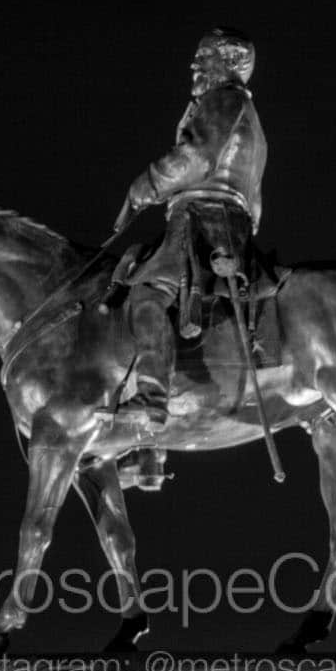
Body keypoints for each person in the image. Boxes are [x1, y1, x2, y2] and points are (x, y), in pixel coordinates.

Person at [114, 28, 266, 424]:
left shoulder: (224, 100)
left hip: (203, 220)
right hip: (227, 221)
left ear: (231, 64)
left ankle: (152, 394)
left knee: (147, 296)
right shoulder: (239, 109)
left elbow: (195, 157)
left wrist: (145, 187)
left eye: (204, 57)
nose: (194, 64)